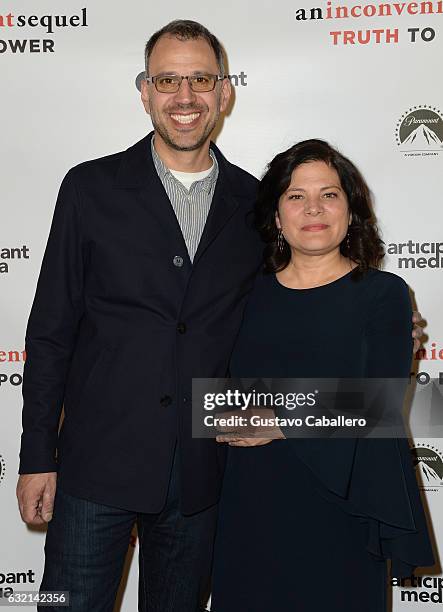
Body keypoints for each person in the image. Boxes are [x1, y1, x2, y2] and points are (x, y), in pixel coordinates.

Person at [15, 20, 424, 612]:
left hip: (207, 477)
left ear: (225, 91)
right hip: (92, 470)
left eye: (200, 79)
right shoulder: (89, 188)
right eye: (168, 80)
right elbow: (50, 332)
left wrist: (380, 318)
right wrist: (35, 459)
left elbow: (302, 299)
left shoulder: (254, 201)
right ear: (145, 90)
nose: (185, 97)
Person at [212, 139, 435, 612]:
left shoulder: (385, 295)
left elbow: (374, 404)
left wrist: (278, 419)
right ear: (275, 215)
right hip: (250, 505)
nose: (313, 208)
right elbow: (211, 399)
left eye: (329, 194)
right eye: (296, 196)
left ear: (352, 210)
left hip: (344, 503)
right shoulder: (242, 297)